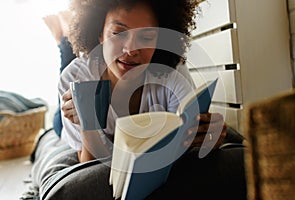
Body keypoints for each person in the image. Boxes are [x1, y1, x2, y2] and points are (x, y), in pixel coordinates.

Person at [27, 0, 246, 199]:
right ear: (99, 34)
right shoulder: (76, 79)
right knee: (58, 116)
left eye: (147, 36)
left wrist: (207, 138)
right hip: (66, 122)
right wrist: (88, 122)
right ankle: (62, 39)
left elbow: (186, 142)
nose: (131, 50)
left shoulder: (172, 75)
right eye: (118, 33)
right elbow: (89, 168)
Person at [43, 11, 76, 137]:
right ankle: (64, 40)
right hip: (63, 123)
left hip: (60, 123)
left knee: (69, 72)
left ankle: (63, 41)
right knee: (70, 72)